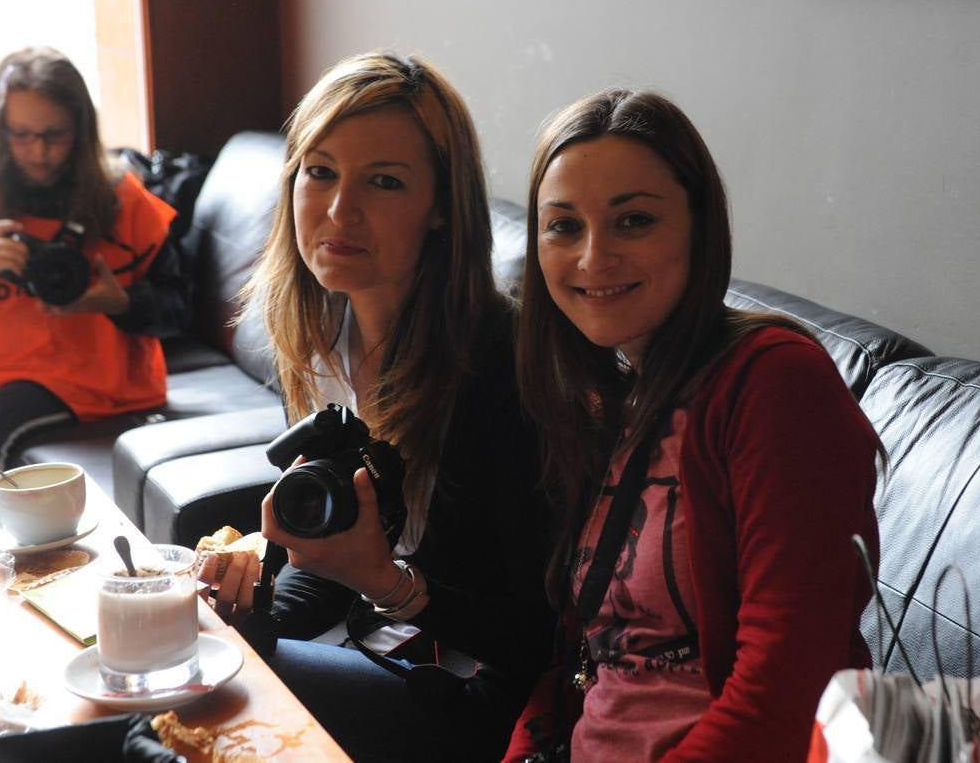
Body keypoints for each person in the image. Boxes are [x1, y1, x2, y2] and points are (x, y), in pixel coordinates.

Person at [504, 89, 883, 761]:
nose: (594, 258)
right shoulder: (609, 399)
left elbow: (785, 694)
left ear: (698, 229)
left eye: (634, 221)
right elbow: (587, 666)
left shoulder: (776, 384)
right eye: (564, 226)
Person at [205, 52, 555, 762]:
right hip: (387, 648)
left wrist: (387, 585)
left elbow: (531, 635)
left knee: (200, 690)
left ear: (440, 210)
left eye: (384, 182)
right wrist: (246, 603)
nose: (339, 210)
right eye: (320, 171)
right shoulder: (325, 339)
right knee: (184, 647)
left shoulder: (504, 366)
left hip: (492, 701)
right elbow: (331, 573)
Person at [0, 47, 188, 477]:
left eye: (54, 135)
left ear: (80, 129)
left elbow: (179, 308)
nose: (39, 151)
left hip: (90, 379)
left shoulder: (123, 199)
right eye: (21, 134)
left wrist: (119, 303)